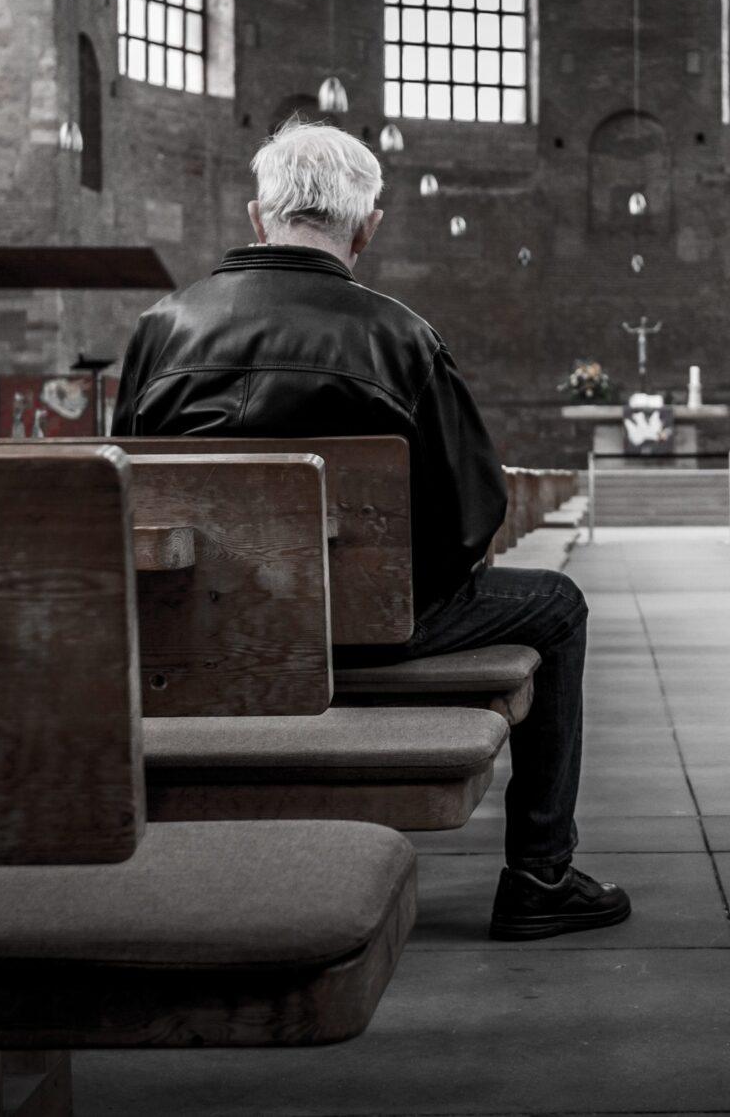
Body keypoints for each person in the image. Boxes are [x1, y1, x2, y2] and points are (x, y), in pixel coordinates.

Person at [112, 119, 630, 941]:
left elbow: (131, 496)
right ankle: (541, 874)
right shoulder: (402, 335)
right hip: (373, 634)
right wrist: (381, 602)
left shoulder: (159, 329)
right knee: (558, 605)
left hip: (208, 633)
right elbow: (475, 514)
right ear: (368, 226)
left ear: (257, 216)